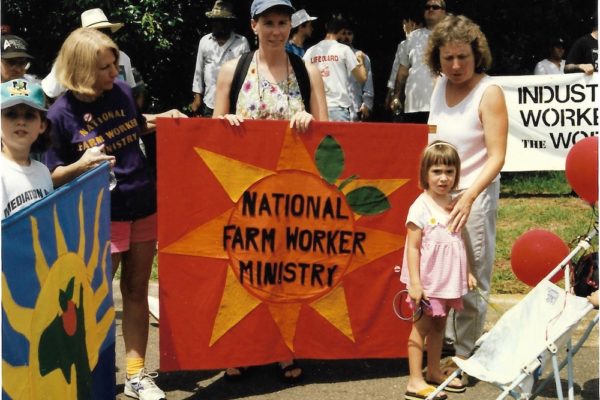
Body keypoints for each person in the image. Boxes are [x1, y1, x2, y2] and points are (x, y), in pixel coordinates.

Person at [43, 27, 185, 400]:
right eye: (105, 68)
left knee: (136, 291)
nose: (115, 74)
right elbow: (50, 175)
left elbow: (134, 127)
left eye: (114, 65)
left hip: (142, 205)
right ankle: (88, 375)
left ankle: (137, 376)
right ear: (81, 70)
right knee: (92, 299)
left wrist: (165, 119)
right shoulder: (59, 114)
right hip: (99, 218)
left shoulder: (120, 91)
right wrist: (81, 165)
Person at [212, 0, 327, 380]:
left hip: (295, 194)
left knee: (286, 272)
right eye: (268, 22)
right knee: (245, 269)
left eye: (282, 22)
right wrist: (226, 121)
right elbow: (211, 136)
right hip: (244, 193)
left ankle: (285, 347)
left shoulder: (306, 69)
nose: (276, 30)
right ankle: (242, 346)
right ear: (253, 25)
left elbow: (329, 132)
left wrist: (310, 119)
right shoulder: (233, 69)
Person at [425, 14, 508, 366]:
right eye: (448, 58)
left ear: (477, 55)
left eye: (463, 57)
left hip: (475, 196)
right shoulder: (437, 86)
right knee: (438, 271)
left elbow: (497, 156)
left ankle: (464, 354)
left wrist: (470, 196)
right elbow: (431, 141)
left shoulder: (489, 93)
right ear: (437, 59)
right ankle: (440, 343)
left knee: (473, 277)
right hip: (438, 198)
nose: (456, 65)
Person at [400, 141, 476, 400]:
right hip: (427, 283)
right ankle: (415, 380)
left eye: (449, 172)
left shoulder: (454, 204)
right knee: (420, 328)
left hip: (447, 282)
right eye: (437, 172)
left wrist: (467, 272)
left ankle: (433, 371)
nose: (443, 178)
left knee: (439, 328)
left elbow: (459, 239)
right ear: (425, 173)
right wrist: (416, 283)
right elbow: (413, 247)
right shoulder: (420, 206)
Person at [42, 8, 137, 98]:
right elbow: (50, 90)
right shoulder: (72, 59)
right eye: (98, 33)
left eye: (105, 32)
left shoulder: (123, 58)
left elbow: (50, 90)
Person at [1, 79, 53, 220]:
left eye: (29, 115)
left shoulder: (43, 172)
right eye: (11, 114)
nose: (21, 121)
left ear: (42, 125)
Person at [191, 0, 250, 117]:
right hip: (209, 102)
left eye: (219, 21)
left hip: (233, 104)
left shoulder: (241, 43)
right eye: (213, 20)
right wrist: (197, 97)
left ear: (228, 22)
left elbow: (247, 74)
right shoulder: (205, 42)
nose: (215, 24)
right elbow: (199, 72)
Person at [391, 0, 447, 123]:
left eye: (435, 7)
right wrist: (396, 96)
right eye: (427, 7)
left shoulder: (450, 37)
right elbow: (403, 71)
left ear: (444, 13)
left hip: (442, 105)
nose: (430, 9)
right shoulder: (412, 37)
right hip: (413, 105)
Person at [303, 17, 367, 122]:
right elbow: (362, 78)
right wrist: (360, 60)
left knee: (320, 139)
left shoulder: (310, 51)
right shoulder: (344, 50)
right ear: (341, 32)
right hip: (338, 108)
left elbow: (301, 76)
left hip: (316, 107)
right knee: (337, 139)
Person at [337, 23, 374, 121]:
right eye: (343, 33)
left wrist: (367, 104)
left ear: (353, 36)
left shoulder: (362, 56)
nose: (346, 37)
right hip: (336, 109)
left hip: (356, 110)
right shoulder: (333, 56)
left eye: (349, 34)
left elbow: (368, 83)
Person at [385, 18, 421, 120]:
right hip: (400, 88)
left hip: (414, 88)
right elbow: (395, 70)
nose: (404, 25)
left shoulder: (422, 43)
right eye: (403, 22)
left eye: (406, 22)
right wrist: (390, 92)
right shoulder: (402, 45)